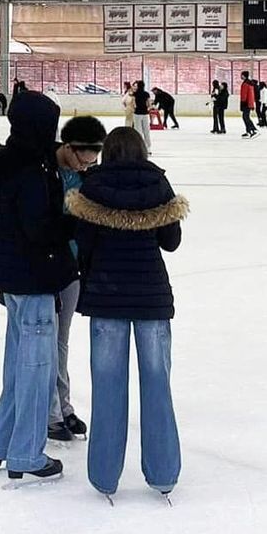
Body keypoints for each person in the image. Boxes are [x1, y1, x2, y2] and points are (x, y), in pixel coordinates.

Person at [66, 126, 187, 503]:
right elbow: (171, 242)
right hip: (151, 298)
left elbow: (81, 245)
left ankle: (104, 476)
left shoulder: (92, 187)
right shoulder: (159, 185)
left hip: (105, 297)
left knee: (107, 388)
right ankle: (164, 473)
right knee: (157, 385)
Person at [0, 91, 75, 484]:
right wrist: (73, 224)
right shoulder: (33, 170)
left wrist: (1, 240)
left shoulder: (4, 163)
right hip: (32, 280)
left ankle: (2, 444)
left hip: (11, 280)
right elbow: (40, 229)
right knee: (35, 368)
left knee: (16, 366)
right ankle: (26, 453)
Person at [49, 116, 106, 445]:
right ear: (69, 148)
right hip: (45, 266)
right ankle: (51, 412)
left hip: (73, 267)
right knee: (47, 340)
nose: (90, 163)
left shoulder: (89, 178)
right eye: (86, 155)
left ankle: (63, 406)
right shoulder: (47, 173)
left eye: (95, 156)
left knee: (61, 340)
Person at [132, 80, 152, 152]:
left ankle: (139, 147)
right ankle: (148, 148)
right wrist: (147, 108)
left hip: (137, 114)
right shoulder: (146, 94)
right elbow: (149, 104)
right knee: (146, 131)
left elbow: (134, 105)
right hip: (145, 113)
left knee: (138, 131)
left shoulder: (135, 94)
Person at [239, 71, 258, 138]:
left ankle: (253, 130)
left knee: (245, 117)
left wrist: (242, 103)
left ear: (244, 76)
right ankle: (249, 131)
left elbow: (244, 95)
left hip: (246, 103)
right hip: (249, 103)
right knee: (246, 117)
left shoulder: (245, 84)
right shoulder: (250, 83)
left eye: (241, 75)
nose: (240, 76)